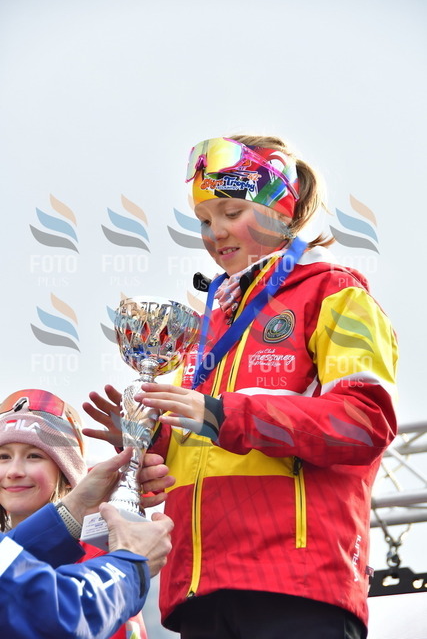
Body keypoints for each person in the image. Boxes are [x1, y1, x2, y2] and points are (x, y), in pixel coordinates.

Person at [83, 135, 398, 639]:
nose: (216, 232)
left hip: (296, 584)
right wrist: (150, 442)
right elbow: (208, 449)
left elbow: (365, 423)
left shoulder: (335, 292)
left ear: (280, 208)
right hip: (198, 589)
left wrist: (221, 414)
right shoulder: (207, 325)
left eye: (232, 212)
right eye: (204, 220)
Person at [0, 388, 173, 638]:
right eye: (3, 456)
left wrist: (72, 512)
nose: (14, 471)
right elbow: (55, 615)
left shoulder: (97, 552)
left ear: (66, 472)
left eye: (34, 456)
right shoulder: (107, 559)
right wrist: (129, 566)